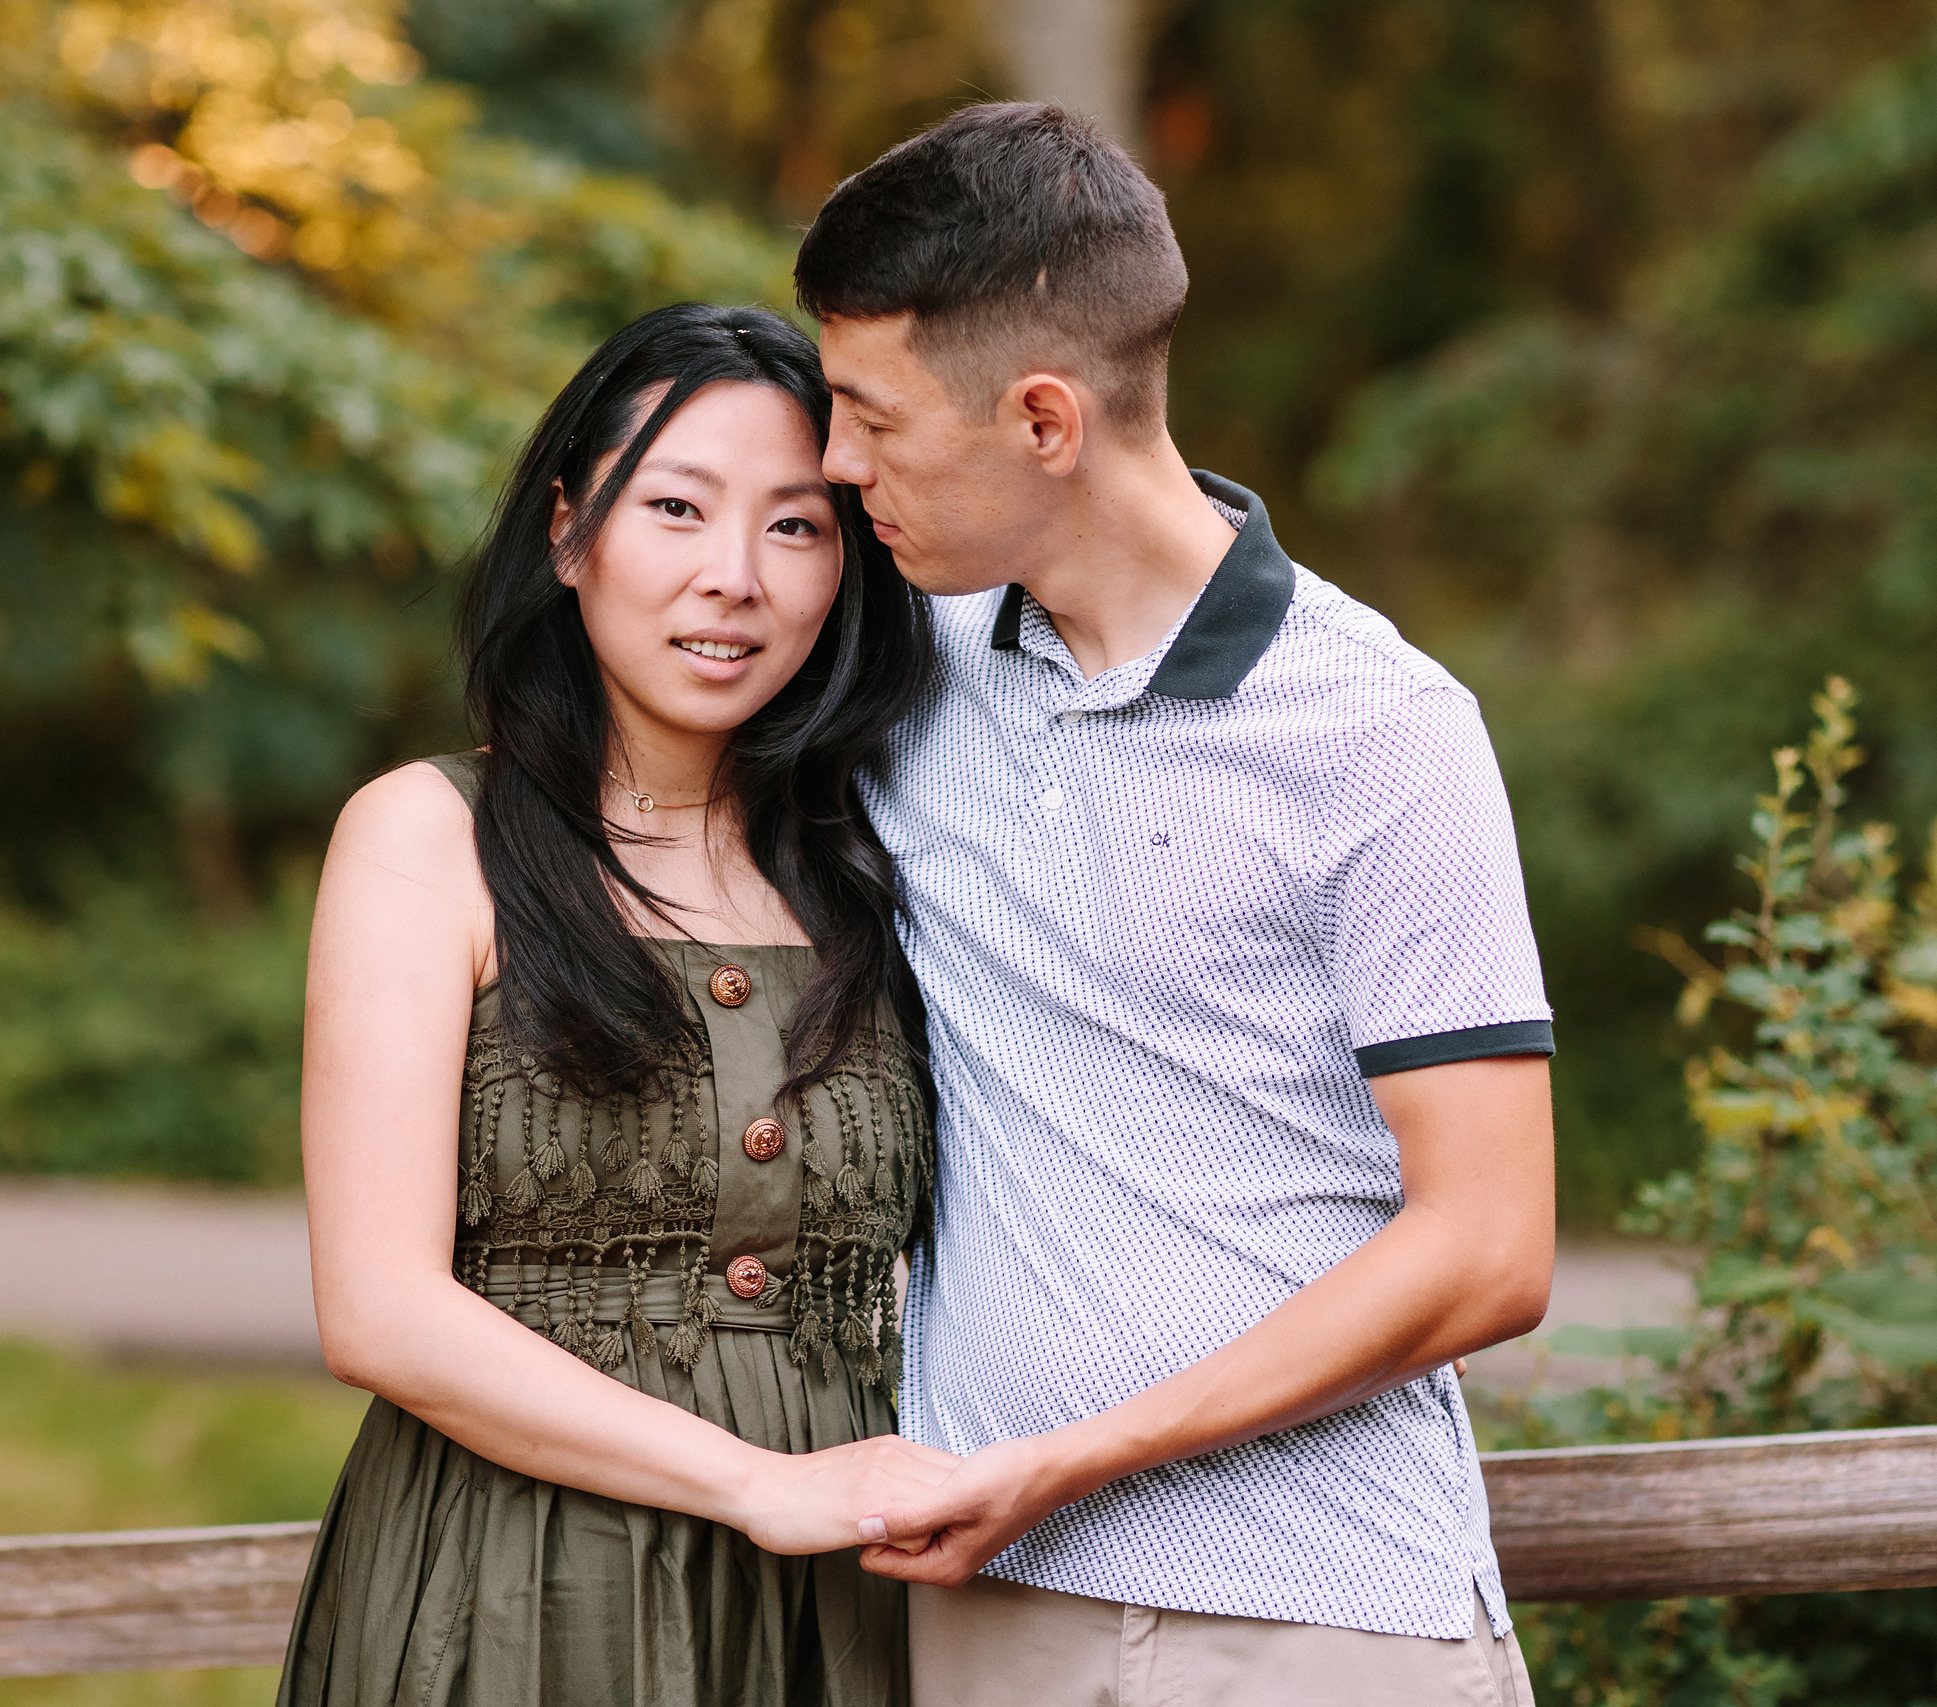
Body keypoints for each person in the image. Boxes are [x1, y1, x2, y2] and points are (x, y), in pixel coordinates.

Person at [796, 104, 1557, 1706]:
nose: (834, 461)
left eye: (871, 416)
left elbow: (1489, 1248)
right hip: (993, 1609)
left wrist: (1071, 1457)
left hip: (1322, 1622)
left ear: (1046, 421)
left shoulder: (1378, 730)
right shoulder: (906, 663)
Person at [277, 302, 948, 1707]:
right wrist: (755, 1484)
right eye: (678, 508)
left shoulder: (880, 868)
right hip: (518, 1596)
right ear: (571, 533)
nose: (734, 579)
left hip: (832, 1616)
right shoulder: (425, 838)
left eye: (795, 526)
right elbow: (380, 1314)